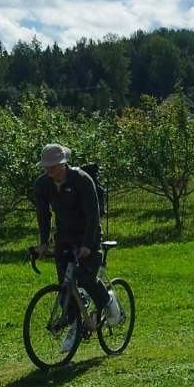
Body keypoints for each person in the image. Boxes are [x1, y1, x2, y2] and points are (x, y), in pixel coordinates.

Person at [33, 143, 123, 355]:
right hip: (64, 238)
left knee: (85, 279)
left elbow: (93, 216)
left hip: (88, 236)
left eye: (54, 165)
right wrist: (44, 242)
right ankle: (74, 328)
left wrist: (87, 245)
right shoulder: (42, 185)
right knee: (65, 286)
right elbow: (43, 215)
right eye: (47, 166)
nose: (50, 170)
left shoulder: (82, 180)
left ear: (64, 162)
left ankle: (108, 301)